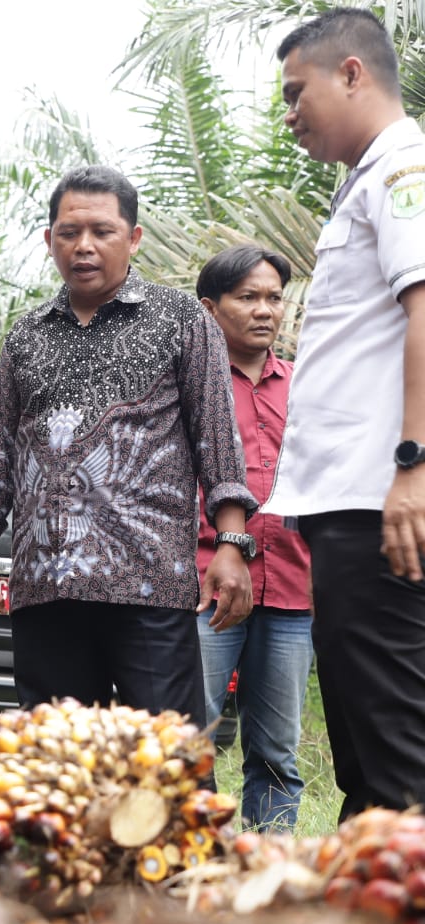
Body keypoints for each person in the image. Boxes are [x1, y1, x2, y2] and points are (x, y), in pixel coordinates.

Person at [0, 166, 257, 725]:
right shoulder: (27, 334)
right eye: (69, 233)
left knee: (167, 758)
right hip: (46, 586)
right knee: (58, 760)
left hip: (149, 584)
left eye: (102, 231)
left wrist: (232, 545)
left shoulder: (181, 319)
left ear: (134, 237)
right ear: (49, 241)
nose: (84, 246)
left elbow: (218, 439)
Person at [263, 9, 425, 819]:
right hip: (351, 504)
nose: (290, 113)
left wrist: (413, 467)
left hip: (380, 501)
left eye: (298, 92)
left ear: (352, 73)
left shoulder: (404, 170)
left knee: (396, 752)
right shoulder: (365, 182)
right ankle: (363, 918)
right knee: (365, 744)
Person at [193, 244, 314, 830]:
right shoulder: (184, 388)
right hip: (203, 587)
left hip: (293, 589)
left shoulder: (307, 387)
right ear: (210, 308)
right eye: (248, 298)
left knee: (276, 753)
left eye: (274, 298)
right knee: (189, 741)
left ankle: (268, 875)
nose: (265, 310)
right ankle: (194, 867)